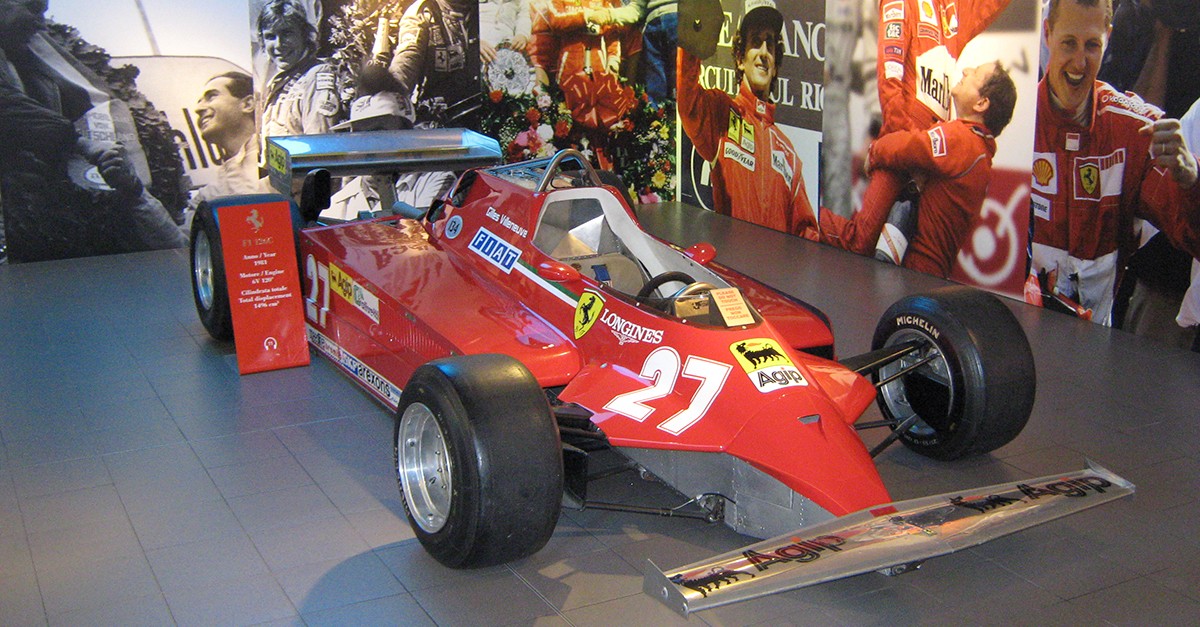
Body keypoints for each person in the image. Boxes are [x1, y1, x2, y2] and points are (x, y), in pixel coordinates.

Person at [1024, 0, 1200, 326]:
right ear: (1047, 33)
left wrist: (1192, 180)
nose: (1079, 62)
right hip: (1013, 333)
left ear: (1108, 36)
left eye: (1092, 45)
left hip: (1089, 347)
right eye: (1069, 43)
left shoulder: (1134, 130)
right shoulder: (1011, 121)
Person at [0, 0, 185, 262]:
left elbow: (177, 249)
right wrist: (83, 144)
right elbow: (9, 104)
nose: (40, 23)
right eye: (33, 8)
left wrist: (130, 188)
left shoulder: (34, 66)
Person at [820, 62, 1018, 277]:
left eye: (975, 73)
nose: (966, 71)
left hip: (915, 273)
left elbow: (908, 147)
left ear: (981, 103)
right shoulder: (980, 152)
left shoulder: (964, 141)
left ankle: (806, 214)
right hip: (925, 274)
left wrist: (874, 150)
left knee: (844, 235)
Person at [856, 0, 1011, 260]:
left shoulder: (953, 10)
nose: (967, 72)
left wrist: (922, 159)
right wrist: (900, 144)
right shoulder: (903, 3)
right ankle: (803, 226)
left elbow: (990, 4)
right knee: (862, 240)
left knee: (904, 256)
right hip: (903, 148)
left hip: (933, 158)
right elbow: (889, 77)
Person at [677, 0, 817, 237]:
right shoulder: (721, 112)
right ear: (740, 59)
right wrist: (694, 36)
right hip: (732, 269)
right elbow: (687, 100)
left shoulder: (789, 155)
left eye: (770, 44)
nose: (763, 53)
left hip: (773, 274)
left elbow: (807, 235)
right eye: (755, 42)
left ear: (775, 65)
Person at [383, 0, 480, 127]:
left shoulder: (489, 10)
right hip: (441, 118)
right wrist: (390, 99)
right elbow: (407, 59)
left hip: (486, 113)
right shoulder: (422, 14)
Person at [257, 0, 342, 140]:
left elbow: (320, 146)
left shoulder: (316, 76)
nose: (278, 45)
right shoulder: (278, 83)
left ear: (304, 35)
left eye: (287, 33)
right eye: (270, 36)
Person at [191, 71, 265, 205]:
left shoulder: (279, 160)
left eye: (211, 96)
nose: (198, 109)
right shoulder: (209, 195)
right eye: (199, 101)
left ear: (248, 104)